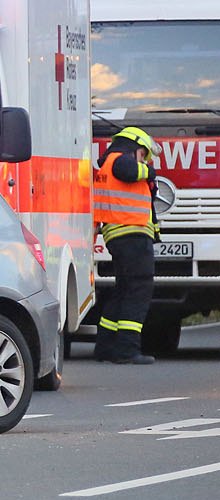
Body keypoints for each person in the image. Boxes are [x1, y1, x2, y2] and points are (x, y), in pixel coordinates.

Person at [92, 126, 161, 364]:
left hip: (120, 235)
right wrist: (150, 173)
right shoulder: (120, 162)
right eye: (143, 154)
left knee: (123, 290)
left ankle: (105, 347)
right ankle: (127, 350)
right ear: (134, 148)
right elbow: (131, 172)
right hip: (131, 235)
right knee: (139, 290)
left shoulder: (107, 164)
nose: (145, 161)